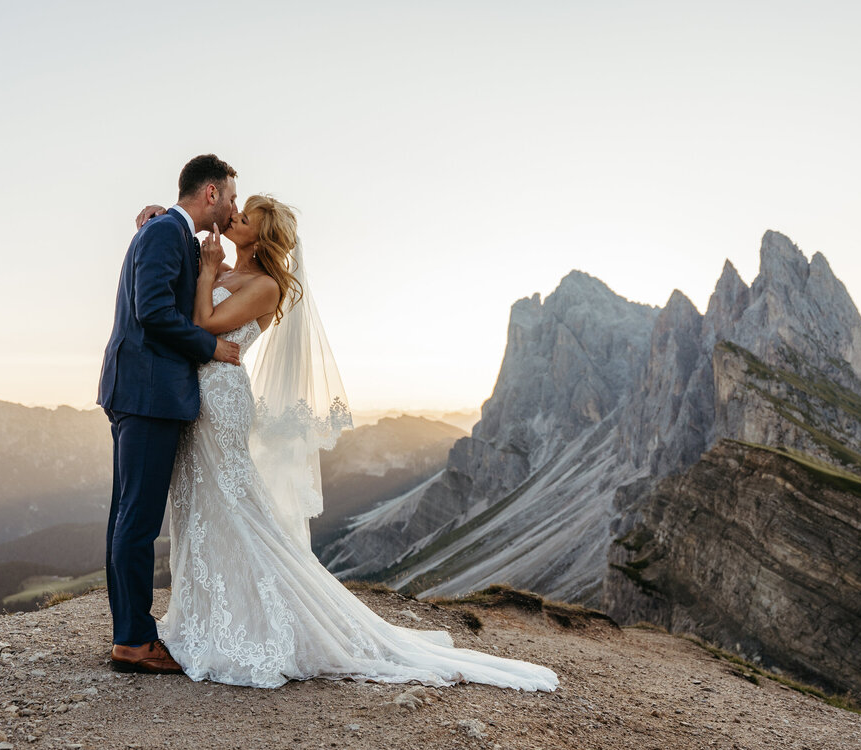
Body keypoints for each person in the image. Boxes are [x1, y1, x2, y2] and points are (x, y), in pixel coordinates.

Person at [133, 195, 559, 692]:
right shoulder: (227, 268)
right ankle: (208, 611)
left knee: (232, 503)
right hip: (195, 396)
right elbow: (181, 296)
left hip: (221, 400)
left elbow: (203, 324)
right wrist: (163, 223)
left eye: (245, 218)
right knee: (202, 504)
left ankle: (264, 620)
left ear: (262, 238)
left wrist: (207, 272)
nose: (235, 218)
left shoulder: (266, 286)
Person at [97, 154, 242, 674]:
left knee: (128, 515)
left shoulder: (169, 231)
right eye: (228, 197)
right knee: (137, 519)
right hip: (147, 393)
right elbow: (153, 311)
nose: (231, 207)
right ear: (209, 194)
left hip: (139, 390)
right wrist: (209, 346)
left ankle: (129, 633)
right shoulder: (163, 233)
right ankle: (134, 641)